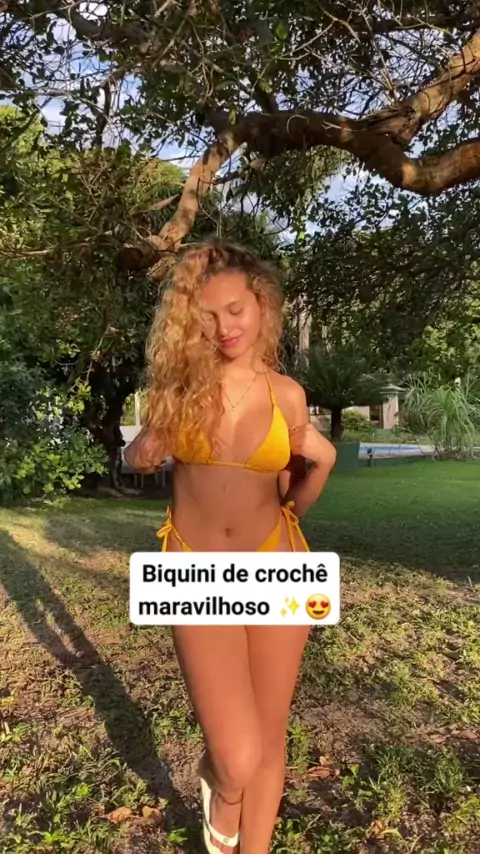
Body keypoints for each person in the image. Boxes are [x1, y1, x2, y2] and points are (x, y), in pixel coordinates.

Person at [125, 240, 336, 854]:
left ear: (262, 305)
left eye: (236, 310)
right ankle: (223, 787)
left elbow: (291, 501)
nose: (225, 328)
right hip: (194, 569)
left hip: (277, 562)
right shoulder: (181, 389)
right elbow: (136, 458)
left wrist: (321, 464)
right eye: (208, 316)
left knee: (269, 737)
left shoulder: (287, 395)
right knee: (238, 755)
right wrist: (143, 448)